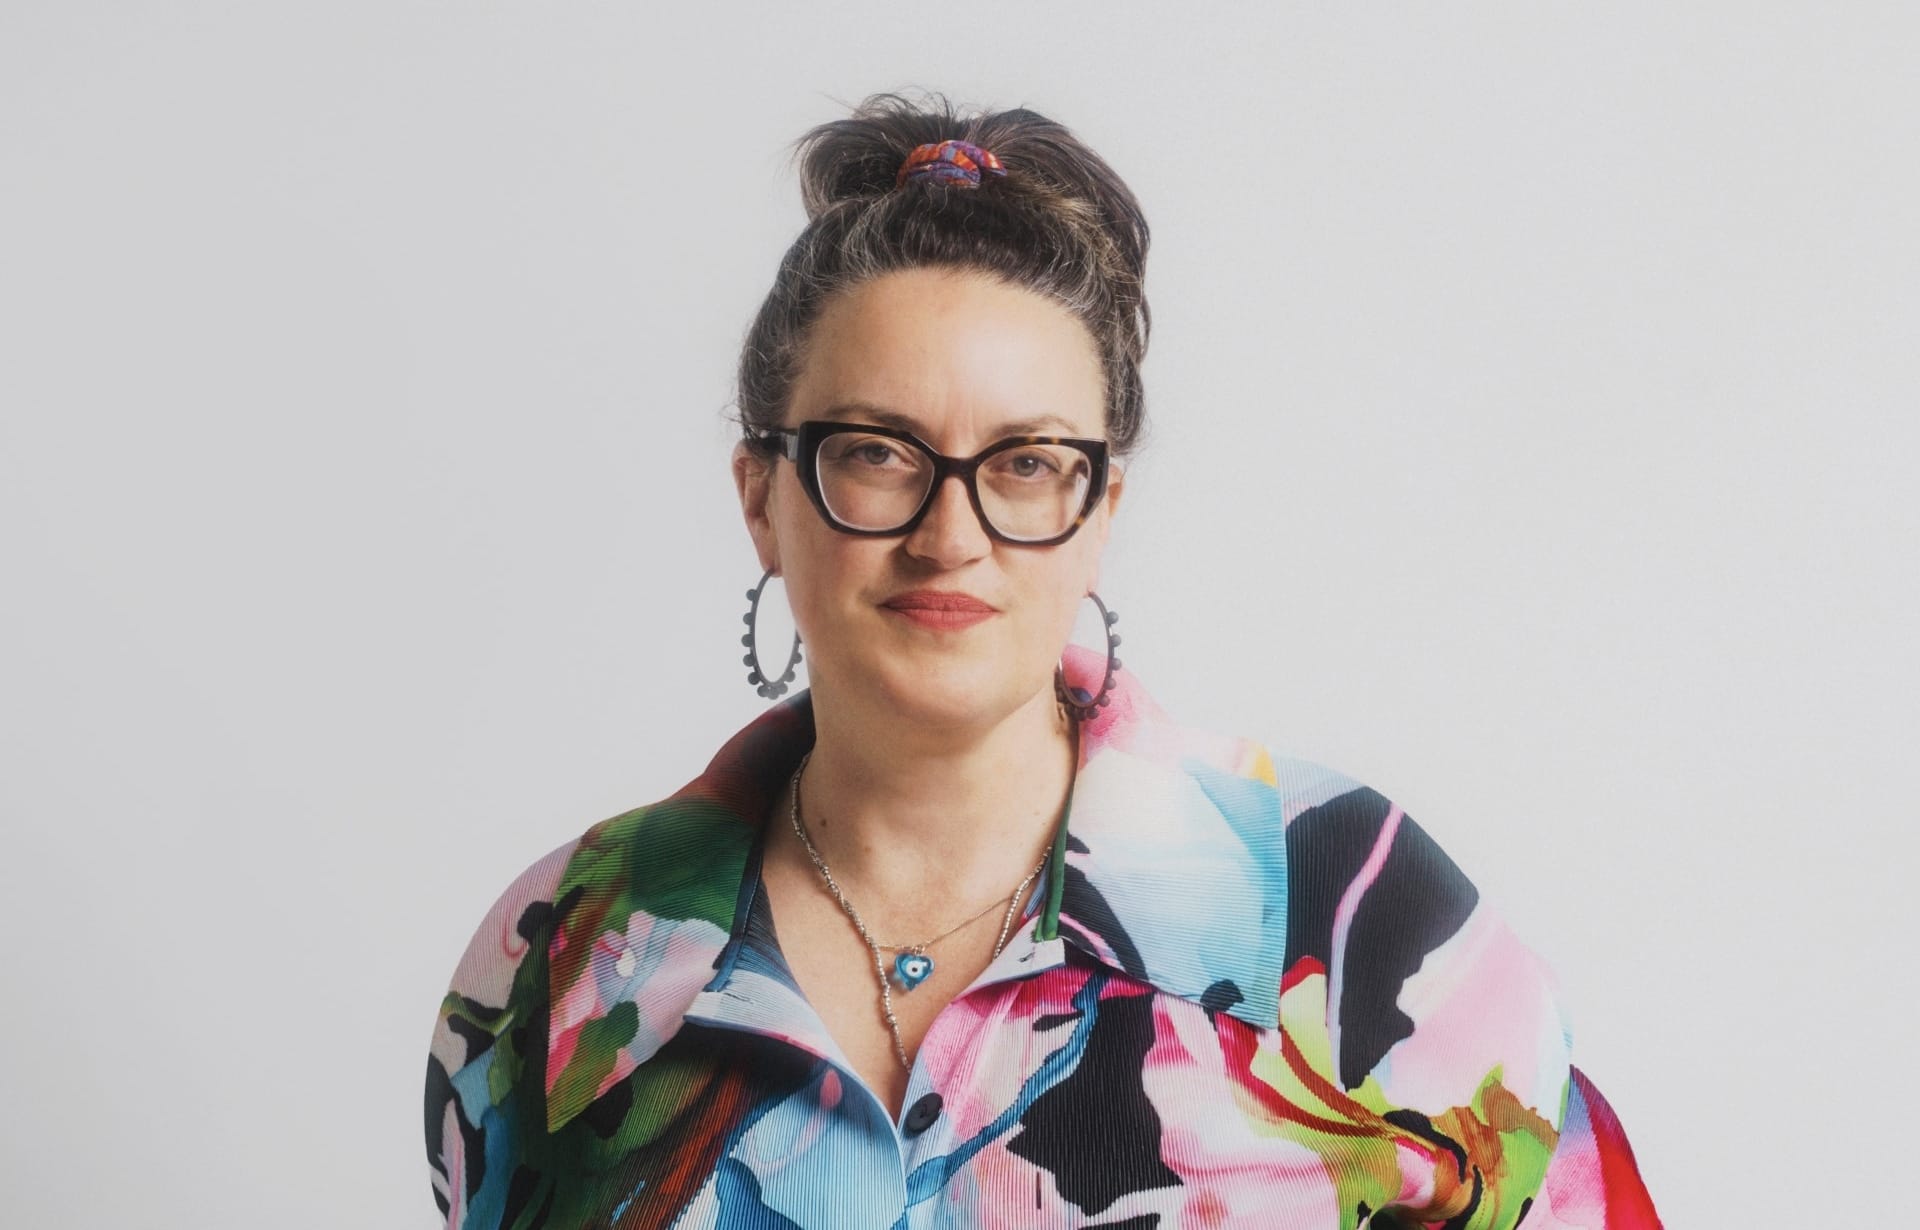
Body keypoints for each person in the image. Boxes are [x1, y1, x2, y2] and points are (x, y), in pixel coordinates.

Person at [424, 90, 1662, 1229]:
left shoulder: (1343, 912)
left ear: (1099, 509)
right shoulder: (567, 951)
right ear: (762, 497)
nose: (950, 535)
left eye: (1025, 464)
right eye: (877, 453)